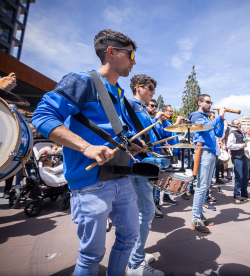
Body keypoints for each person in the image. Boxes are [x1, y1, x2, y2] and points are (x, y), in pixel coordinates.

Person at [32, 29, 143, 276]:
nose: (134, 61)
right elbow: (42, 116)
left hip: (120, 177)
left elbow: (109, 133)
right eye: (131, 54)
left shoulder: (120, 93)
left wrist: (128, 145)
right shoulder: (81, 81)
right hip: (90, 183)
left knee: (129, 237)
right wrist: (86, 147)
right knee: (91, 255)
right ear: (111, 52)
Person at [126, 74, 165, 275]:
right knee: (145, 212)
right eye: (150, 87)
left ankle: (136, 254)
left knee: (140, 213)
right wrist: (130, 143)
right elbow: (122, 129)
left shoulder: (140, 108)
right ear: (138, 87)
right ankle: (135, 264)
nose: (153, 92)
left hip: (143, 163)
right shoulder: (131, 104)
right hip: (136, 164)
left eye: (154, 88)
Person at [188, 94, 225, 233]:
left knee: (206, 186)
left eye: (211, 102)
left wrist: (220, 120)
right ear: (200, 102)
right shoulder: (196, 115)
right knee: (201, 186)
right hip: (203, 152)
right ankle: (196, 219)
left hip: (211, 153)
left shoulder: (207, 117)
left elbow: (219, 134)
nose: (210, 104)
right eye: (207, 102)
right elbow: (204, 128)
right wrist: (218, 117)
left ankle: (200, 216)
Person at [227, 119, 250, 202]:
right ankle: (236, 195)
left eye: (240, 123)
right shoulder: (232, 133)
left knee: (245, 177)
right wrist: (241, 145)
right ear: (233, 125)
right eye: (237, 123)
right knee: (239, 177)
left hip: (244, 157)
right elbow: (229, 145)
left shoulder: (241, 133)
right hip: (237, 157)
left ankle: (244, 194)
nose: (239, 124)